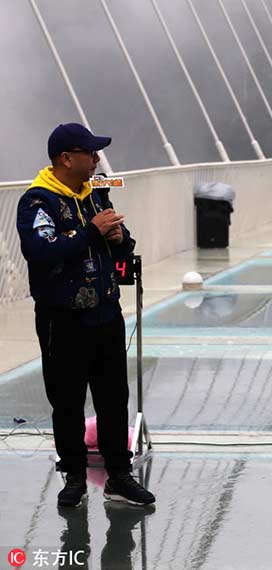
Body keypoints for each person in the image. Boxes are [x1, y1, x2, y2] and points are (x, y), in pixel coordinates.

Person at [16, 123, 155, 508]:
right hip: (63, 320)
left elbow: (124, 244)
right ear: (66, 159)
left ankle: (119, 476)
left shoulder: (96, 194)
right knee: (68, 399)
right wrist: (93, 233)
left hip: (106, 314)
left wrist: (119, 239)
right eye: (89, 154)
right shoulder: (37, 203)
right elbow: (43, 253)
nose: (96, 160)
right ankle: (74, 477)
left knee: (113, 397)